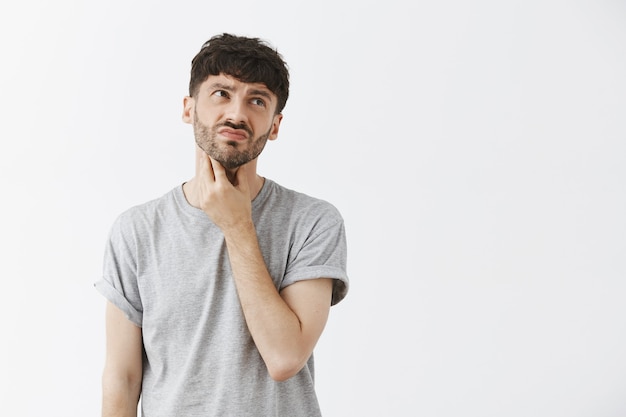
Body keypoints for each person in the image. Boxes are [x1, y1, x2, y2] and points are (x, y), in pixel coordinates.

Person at [95, 33, 349, 417]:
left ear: (275, 125)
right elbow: (122, 378)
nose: (237, 114)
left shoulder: (313, 222)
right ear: (188, 108)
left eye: (257, 100)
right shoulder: (136, 230)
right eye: (221, 94)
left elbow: (284, 357)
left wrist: (237, 225)